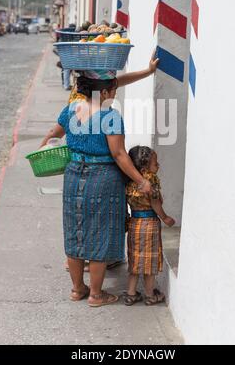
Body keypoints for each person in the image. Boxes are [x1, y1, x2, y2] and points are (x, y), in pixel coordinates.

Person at [40, 54, 159, 307]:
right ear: (104, 92)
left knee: (75, 230)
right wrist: (141, 180)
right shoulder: (110, 116)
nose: (115, 92)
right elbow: (118, 155)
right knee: (99, 234)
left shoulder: (72, 108)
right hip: (103, 179)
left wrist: (41, 151)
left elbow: (53, 133)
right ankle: (96, 294)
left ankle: (77, 289)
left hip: (74, 175)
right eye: (113, 89)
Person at [124, 146, 175, 306]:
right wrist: (165, 217)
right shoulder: (150, 180)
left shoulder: (130, 180)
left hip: (134, 223)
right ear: (145, 168)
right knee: (149, 260)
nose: (158, 165)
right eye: (155, 163)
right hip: (150, 224)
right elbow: (155, 202)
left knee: (135, 258)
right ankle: (150, 294)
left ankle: (131, 294)